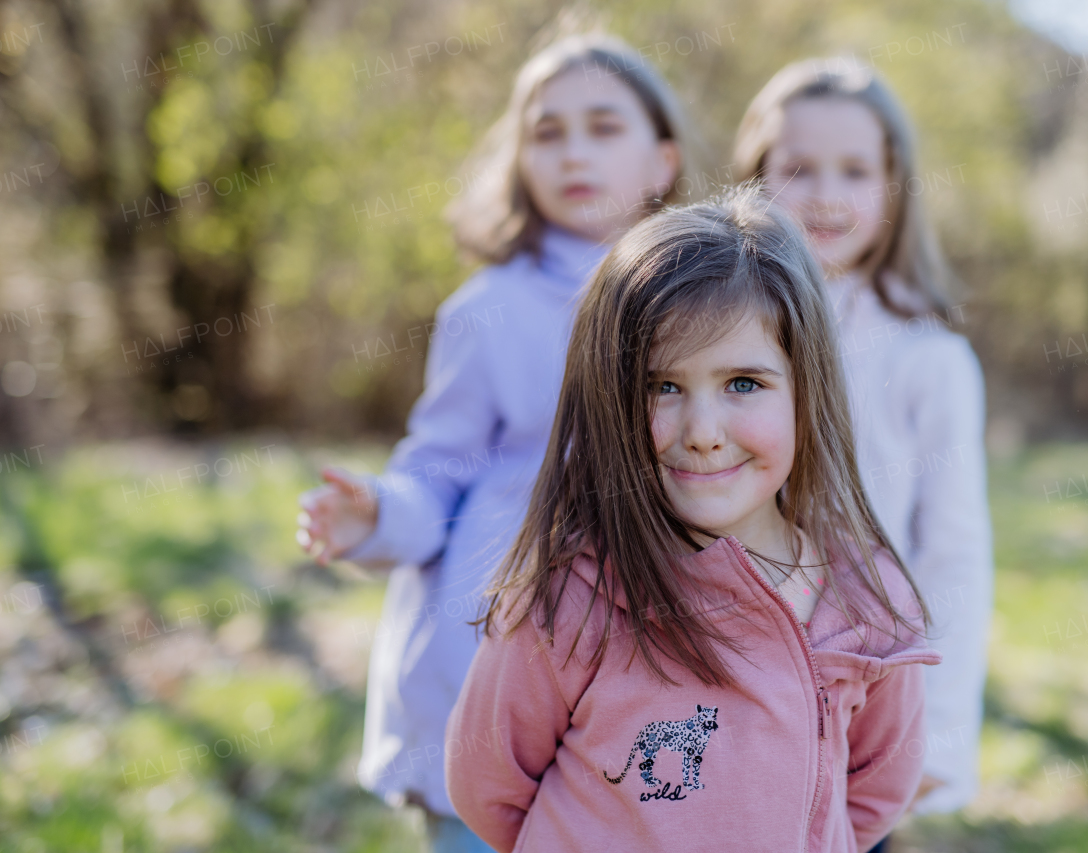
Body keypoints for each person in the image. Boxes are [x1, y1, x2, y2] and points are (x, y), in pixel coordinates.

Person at [445, 185, 942, 853]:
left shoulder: (866, 601)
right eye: (661, 387)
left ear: (806, 388)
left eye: (744, 383)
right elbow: (489, 786)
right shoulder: (573, 596)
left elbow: (875, 791)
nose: (703, 431)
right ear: (610, 399)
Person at [295, 32, 697, 852]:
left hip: (643, 658)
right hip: (493, 643)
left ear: (663, 162)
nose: (573, 151)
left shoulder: (700, 301)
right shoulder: (487, 309)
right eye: (547, 132)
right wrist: (378, 512)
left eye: (603, 127)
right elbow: (437, 472)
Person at [733, 60, 995, 837]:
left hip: (860, 702)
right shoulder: (716, 332)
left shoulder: (928, 358)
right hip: (726, 678)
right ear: (752, 178)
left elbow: (953, 551)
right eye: (798, 168)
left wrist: (938, 737)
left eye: (855, 170)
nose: (824, 194)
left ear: (895, 185)